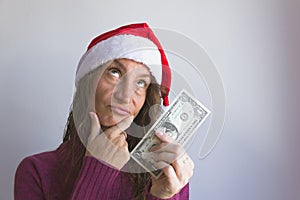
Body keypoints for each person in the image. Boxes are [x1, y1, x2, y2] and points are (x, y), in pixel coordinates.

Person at [14, 23, 194, 200]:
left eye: (140, 83)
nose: (125, 96)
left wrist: (162, 197)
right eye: (114, 72)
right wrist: (98, 171)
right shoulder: (36, 171)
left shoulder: (169, 172)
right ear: (87, 84)